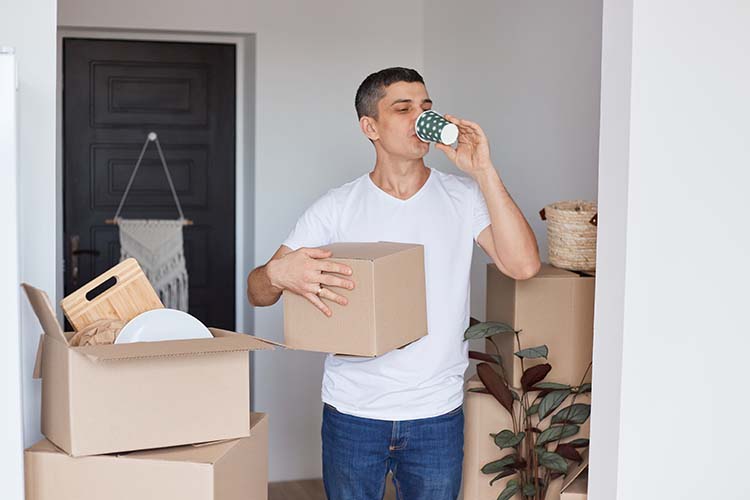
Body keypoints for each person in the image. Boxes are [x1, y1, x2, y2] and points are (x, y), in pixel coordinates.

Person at [247, 67, 540, 500]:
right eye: (402, 109)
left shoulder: (463, 197)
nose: (420, 117)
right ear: (370, 127)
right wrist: (276, 274)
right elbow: (257, 292)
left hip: (436, 414)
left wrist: (483, 169)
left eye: (426, 107)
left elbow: (524, 266)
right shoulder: (337, 207)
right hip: (353, 412)